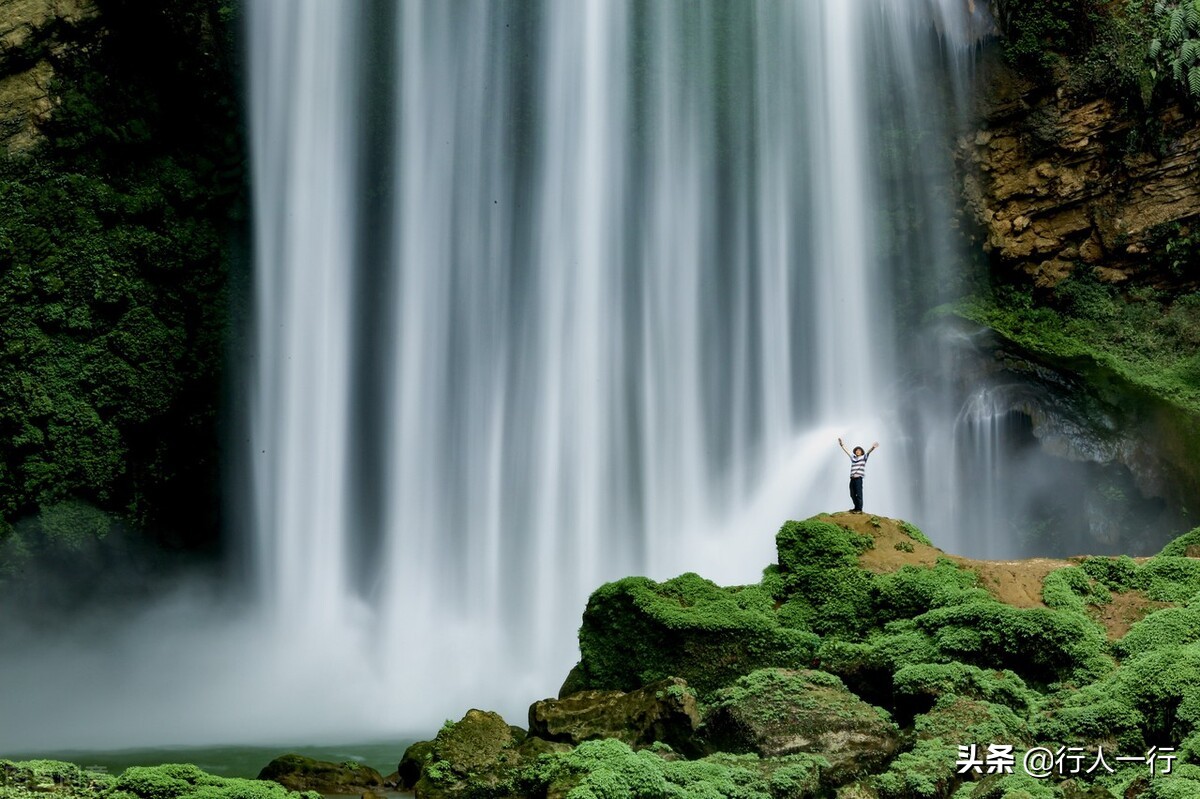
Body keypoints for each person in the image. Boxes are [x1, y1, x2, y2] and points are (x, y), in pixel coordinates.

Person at [838, 438, 878, 513]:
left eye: (859, 450)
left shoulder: (864, 458)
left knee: (859, 494)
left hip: (858, 479)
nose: (858, 451)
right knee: (852, 494)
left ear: (862, 452)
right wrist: (842, 444)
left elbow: (868, 452)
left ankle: (859, 509)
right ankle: (856, 508)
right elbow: (847, 452)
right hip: (852, 479)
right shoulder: (853, 458)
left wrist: (873, 447)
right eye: (856, 450)